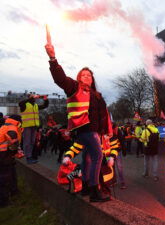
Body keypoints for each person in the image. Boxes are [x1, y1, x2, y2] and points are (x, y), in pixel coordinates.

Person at [45, 43, 112, 202]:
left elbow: (104, 115)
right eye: (84, 75)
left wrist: (108, 132)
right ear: (79, 78)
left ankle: (86, 188)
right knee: (97, 155)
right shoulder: (74, 87)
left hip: (94, 131)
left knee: (88, 157)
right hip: (84, 129)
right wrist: (53, 59)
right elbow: (60, 78)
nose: (87, 77)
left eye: (89, 75)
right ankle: (95, 191)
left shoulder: (97, 95)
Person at [0, 115, 23, 207]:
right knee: (4, 179)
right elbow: (12, 144)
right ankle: (3, 202)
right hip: (3, 156)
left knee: (5, 177)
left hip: (3, 155)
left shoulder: (4, 127)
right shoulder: (13, 129)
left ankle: (10, 194)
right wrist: (16, 153)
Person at [19, 93, 49, 164]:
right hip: (27, 126)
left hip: (34, 126)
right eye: (32, 96)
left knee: (32, 142)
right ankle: (27, 157)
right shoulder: (24, 104)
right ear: (29, 97)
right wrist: (31, 98)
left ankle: (30, 156)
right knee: (27, 142)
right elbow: (20, 103)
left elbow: (45, 105)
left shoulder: (35, 105)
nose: (34, 97)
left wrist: (46, 99)